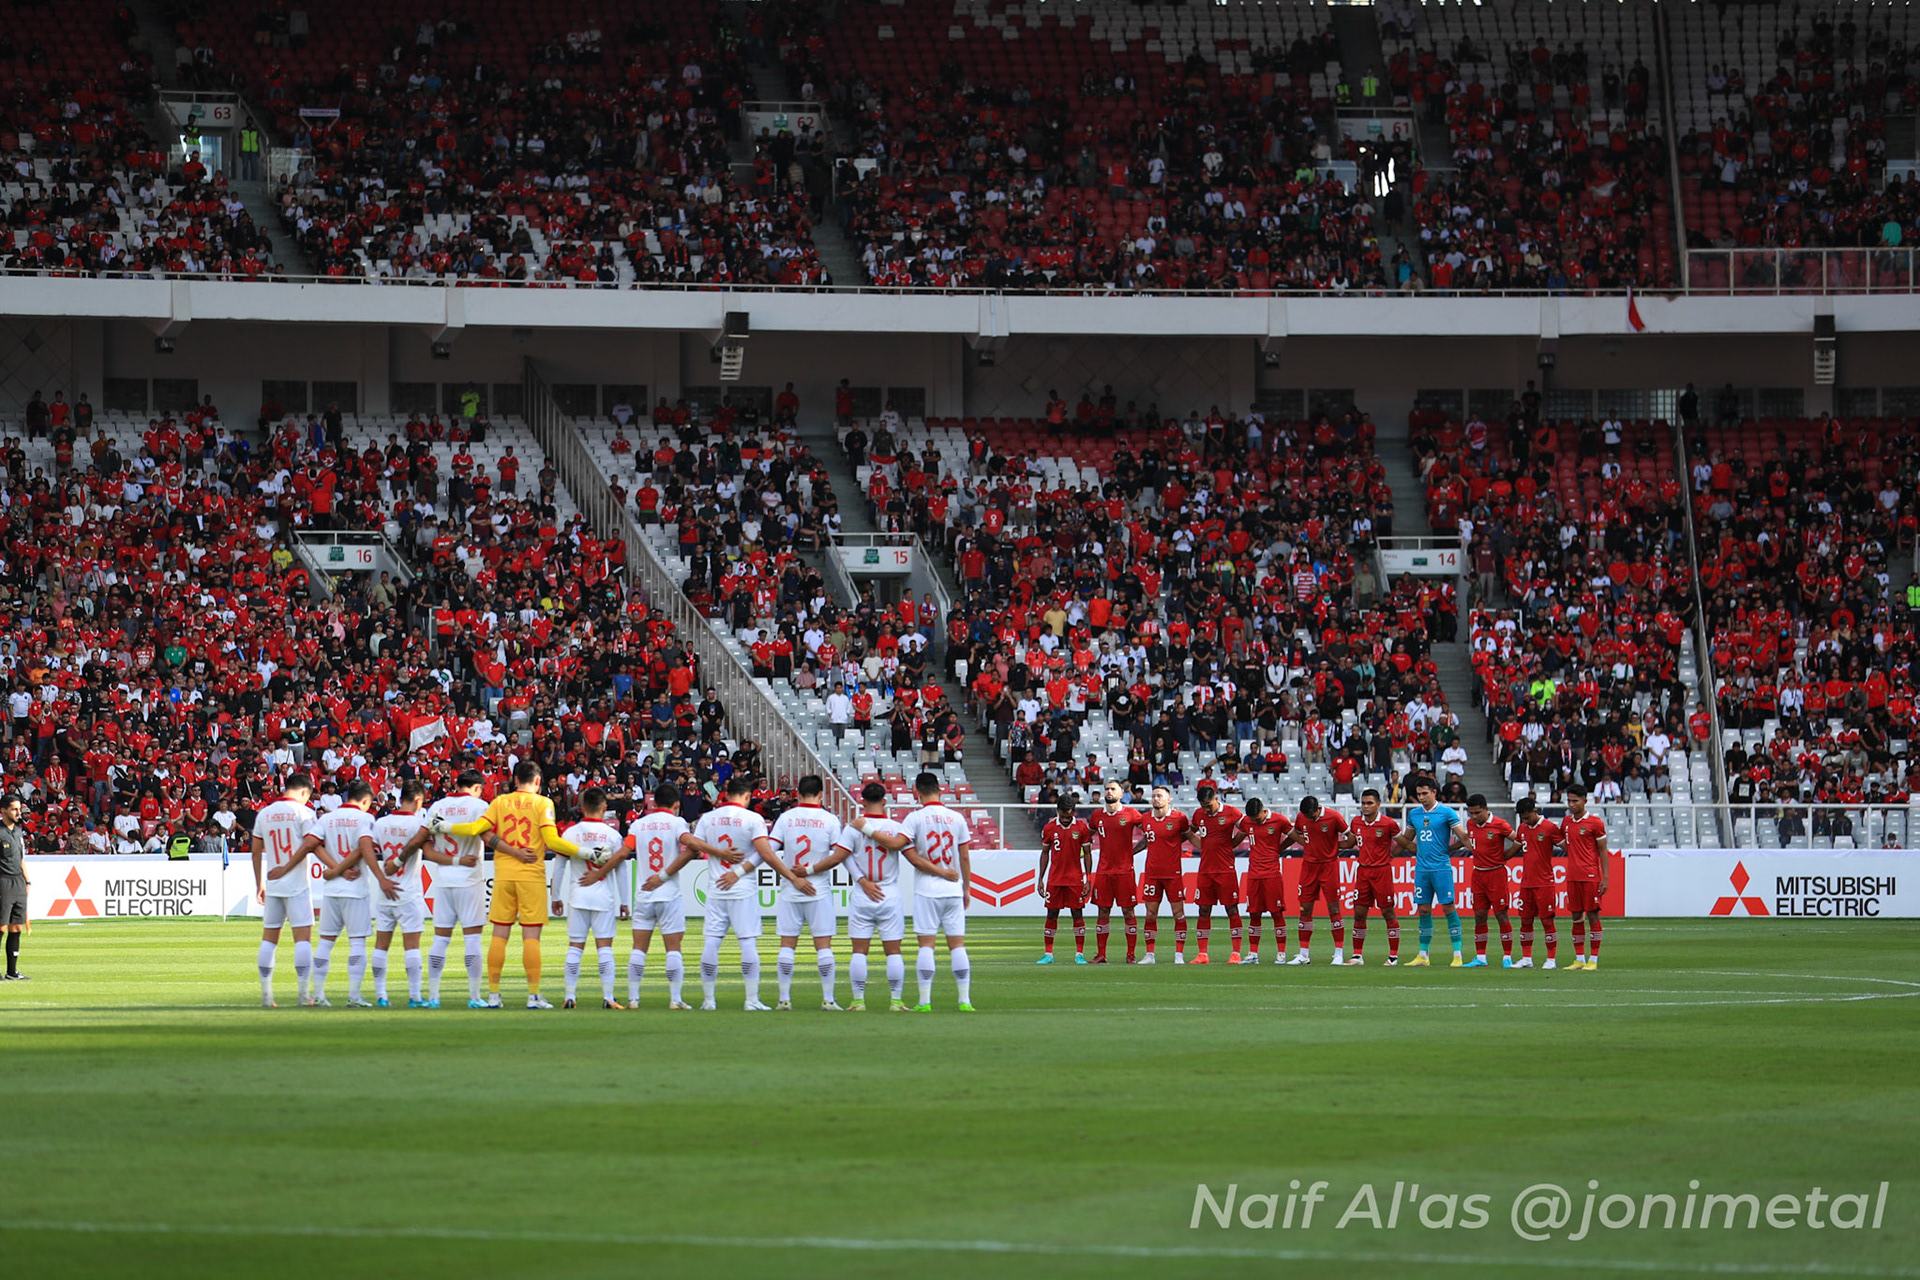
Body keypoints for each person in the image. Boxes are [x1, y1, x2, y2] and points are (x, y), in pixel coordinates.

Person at [433, 761, 583, 1010]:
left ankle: (493, 995)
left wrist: (446, 826)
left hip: (503, 875)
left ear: (515, 780)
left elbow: (474, 829)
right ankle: (533, 996)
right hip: (531, 875)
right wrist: (585, 852)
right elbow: (552, 841)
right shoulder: (543, 803)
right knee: (531, 937)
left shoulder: (499, 802)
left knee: (499, 935)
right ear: (537, 781)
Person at [678, 774, 811, 1011]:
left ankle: (708, 1000)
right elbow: (766, 853)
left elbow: (693, 847)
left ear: (727, 794)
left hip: (717, 888)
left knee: (711, 942)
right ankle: (751, 999)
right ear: (748, 796)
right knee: (747, 942)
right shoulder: (753, 819)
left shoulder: (708, 818)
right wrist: (791, 877)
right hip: (742, 890)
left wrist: (715, 854)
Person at [811, 782, 945, 1011]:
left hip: (863, 893)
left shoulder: (853, 828)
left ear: (862, 801)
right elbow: (912, 856)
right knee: (893, 951)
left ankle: (858, 1001)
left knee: (859, 951)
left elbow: (840, 857)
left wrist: (861, 880)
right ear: (885, 801)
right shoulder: (896, 827)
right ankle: (896, 1001)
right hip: (889, 892)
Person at [304, 780, 397, 1007]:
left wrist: (335, 869)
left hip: (333, 889)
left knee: (325, 942)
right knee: (357, 943)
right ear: (365, 800)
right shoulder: (365, 819)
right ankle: (354, 996)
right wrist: (346, 870)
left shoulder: (328, 817)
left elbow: (312, 843)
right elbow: (364, 848)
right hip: (355, 890)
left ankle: (318, 995)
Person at [407, 770, 491, 1008]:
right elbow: (487, 835)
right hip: (470, 879)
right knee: (472, 938)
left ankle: (433, 997)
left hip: (443, 880)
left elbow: (424, 844)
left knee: (441, 939)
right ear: (476, 787)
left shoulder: (437, 807)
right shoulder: (479, 805)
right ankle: (474, 997)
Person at [769, 775, 845, 1009]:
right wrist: (810, 871)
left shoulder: (786, 818)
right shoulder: (830, 820)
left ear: (798, 795)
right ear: (821, 795)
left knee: (787, 945)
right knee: (823, 946)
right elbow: (838, 855)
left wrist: (793, 876)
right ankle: (828, 999)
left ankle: (784, 999)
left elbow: (769, 852)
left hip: (790, 891)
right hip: (818, 890)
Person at [900, 771, 975, 1010]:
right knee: (957, 945)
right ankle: (964, 1000)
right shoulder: (957, 818)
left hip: (926, 890)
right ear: (940, 789)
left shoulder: (914, 819)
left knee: (926, 945)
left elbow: (911, 856)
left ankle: (924, 1001)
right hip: (953, 890)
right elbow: (964, 856)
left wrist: (938, 873)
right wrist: (966, 888)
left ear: (916, 792)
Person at [626, 782, 695, 1009]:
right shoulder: (677, 823)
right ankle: (675, 998)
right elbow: (690, 849)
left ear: (653, 802)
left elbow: (626, 850)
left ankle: (633, 998)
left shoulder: (638, 824)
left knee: (638, 948)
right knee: (673, 948)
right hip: (668, 894)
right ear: (676, 804)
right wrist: (664, 876)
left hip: (644, 894)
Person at [250, 773, 317, 1005]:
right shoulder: (305, 813)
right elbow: (312, 845)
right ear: (304, 792)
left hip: (273, 884)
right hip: (297, 885)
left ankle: (266, 995)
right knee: (303, 940)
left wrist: (259, 882)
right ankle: (303, 994)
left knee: (269, 940)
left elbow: (256, 851)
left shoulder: (264, 813)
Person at [558, 788, 627, 1009]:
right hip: (603, 896)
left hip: (577, 895)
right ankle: (608, 997)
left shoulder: (570, 833)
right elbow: (621, 869)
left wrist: (555, 895)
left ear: (582, 806)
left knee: (575, 947)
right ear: (604, 807)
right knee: (604, 947)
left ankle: (569, 996)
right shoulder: (613, 835)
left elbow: (559, 864)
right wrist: (625, 901)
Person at [369, 781, 430, 1006]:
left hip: (386, 891)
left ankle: (381, 996)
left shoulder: (381, 823)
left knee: (381, 945)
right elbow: (428, 849)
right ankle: (414, 996)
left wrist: (381, 878)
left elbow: (367, 848)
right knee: (412, 946)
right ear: (417, 801)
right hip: (409, 892)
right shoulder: (418, 824)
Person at [1394, 776, 1465, 966]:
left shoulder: (1447, 813)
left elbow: (1462, 837)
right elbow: (1408, 841)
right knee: (1423, 910)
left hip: (1441, 867)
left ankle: (1457, 954)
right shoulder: (1414, 814)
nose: (1421, 797)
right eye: (1418, 794)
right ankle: (1423, 955)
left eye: (1425, 793)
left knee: (1448, 907)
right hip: (1422, 869)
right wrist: (1390, 854)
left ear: (1434, 792)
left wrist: (1453, 848)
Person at [1290, 795, 1354, 965]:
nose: (1310, 819)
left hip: (1329, 867)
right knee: (1305, 909)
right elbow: (1296, 832)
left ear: (1318, 808)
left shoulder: (1334, 817)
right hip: (1308, 867)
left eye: (1312, 816)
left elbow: (1351, 839)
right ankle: (1303, 954)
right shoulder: (1301, 817)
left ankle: (1338, 953)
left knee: (1333, 909)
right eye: (1307, 817)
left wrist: (1334, 846)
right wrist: (1308, 844)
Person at [1187, 783, 1246, 964]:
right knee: (1203, 909)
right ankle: (1202, 954)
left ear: (1216, 799)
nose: (1207, 809)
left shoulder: (1231, 812)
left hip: (1225, 870)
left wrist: (1232, 844)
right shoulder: (1199, 814)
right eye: (1204, 806)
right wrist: (1202, 846)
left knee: (1231, 909)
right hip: (1205, 870)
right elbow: (1190, 833)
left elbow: (1245, 827)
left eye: (1209, 806)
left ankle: (1236, 953)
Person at [1085, 781, 1143, 963]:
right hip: (1103, 871)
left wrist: (1133, 851)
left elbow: (1151, 833)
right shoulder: (1097, 815)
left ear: (1121, 794)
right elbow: (1087, 836)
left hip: (1125, 871)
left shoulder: (1132, 813)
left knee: (1128, 912)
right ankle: (1101, 954)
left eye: (1113, 789)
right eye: (1107, 789)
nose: (1109, 792)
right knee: (1103, 911)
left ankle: (1131, 955)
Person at [1135, 784, 1191, 964]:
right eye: (1154, 796)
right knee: (1150, 914)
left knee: (1178, 913)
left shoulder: (1179, 818)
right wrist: (1130, 853)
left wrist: (1207, 849)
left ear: (1169, 799)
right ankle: (1150, 954)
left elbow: (1189, 835)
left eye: (1159, 795)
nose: (1156, 799)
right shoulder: (1145, 819)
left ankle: (1179, 955)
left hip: (1173, 873)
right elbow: (1146, 839)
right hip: (1152, 873)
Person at [1347, 788, 1402, 965]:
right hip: (1363, 872)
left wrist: (1391, 855)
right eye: (1363, 803)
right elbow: (1351, 842)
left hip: (1382, 872)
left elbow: (1404, 843)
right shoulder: (1356, 822)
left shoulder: (1388, 823)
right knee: (1359, 913)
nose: (1365, 806)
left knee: (1387, 912)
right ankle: (1357, 955)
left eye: (1369, 803)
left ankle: (1393, 956)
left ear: (1378, 804)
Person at [1036, 794, 1092, 964]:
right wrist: (1040, 879)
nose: (1067, 819)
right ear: (1058, 810)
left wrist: (1088, 879)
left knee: (1077, 913)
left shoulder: (1082, 828)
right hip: (1054, 879)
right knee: (1052, 914)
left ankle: (1079, 954)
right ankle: (1048, 954)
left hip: (1075, 880)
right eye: (1064, 816)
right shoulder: (1049, 828)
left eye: (1070, 816)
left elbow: (1088, 854)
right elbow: (1045, 853)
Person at [1463, 793, 1517, 969]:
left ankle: (1507, 956)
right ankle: (1480, 957)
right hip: (1478, 875)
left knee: (1501, 914)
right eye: (1471, 813)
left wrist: (1505, 856)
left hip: (1496, 875)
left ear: (1486, 809)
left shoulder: (1500, 824)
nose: (1474, 817)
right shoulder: (1471, 824)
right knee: (1479, 916)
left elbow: (1519, 840)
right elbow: (1472, 842)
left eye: (1477, 812)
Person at [1239, 797, 1294, 964]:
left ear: (1264, 811)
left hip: (1272, 874)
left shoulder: (1279, 820)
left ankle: (1281, 953)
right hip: (1254, 874)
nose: (1255, 821)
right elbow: (1238, 834)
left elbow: (1294, 835)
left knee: (1276, 913)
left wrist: (1280, 848)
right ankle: (1253, 954)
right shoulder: (1247, 822)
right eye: (1252, 819)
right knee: (1254, 913)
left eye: (1257, 818)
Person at [1562, 785, 1611, 970]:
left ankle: (1594, 959)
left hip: (1590, 875)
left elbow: (1603, 851)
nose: (1572, 804)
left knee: (1592, 915)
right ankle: (1579, 959)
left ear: (1585, 800)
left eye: (1575, 801)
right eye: (1569, 801)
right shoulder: (1566, 822)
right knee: (1576, 916)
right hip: (1572, 876)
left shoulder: (1595, 823)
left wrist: (1604, 878)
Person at [1511, 796, 1562, 969]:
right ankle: (1526, 958)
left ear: (1535, 811)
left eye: (1527, 817)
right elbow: (1514, 849)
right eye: (1522, 818)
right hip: (1526, 883)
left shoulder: (1550, 828)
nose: (1525, 821)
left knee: (1547, 921)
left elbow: (1568, 847)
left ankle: (1551, 959)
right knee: (1525, 920)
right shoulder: (1523, 828)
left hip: (1545, 883)